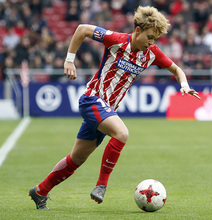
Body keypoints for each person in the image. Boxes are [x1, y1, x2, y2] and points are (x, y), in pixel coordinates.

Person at [28, 6, 200, 209]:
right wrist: (69, 60)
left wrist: (184, 85)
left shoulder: (151, 53)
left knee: (77, 159)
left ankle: (40, 191)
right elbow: (82, 29)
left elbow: (177, 69)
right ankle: (101, 185)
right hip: (92, 99)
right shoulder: (117, 40)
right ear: (137, 30)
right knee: (122, 134)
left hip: (107, 109)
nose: (152, 42)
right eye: (150, 37)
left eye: (155, 39)